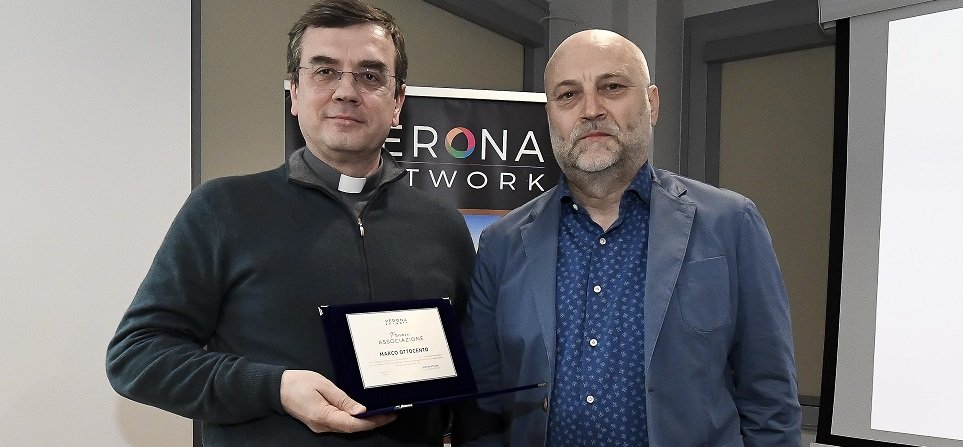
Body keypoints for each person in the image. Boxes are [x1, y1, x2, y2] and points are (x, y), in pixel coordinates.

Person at [106, 1, 475, 445]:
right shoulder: (223, 209)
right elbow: (136, 356)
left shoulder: (443, 227)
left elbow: (473, 373)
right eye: (325, 71)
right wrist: (273, 387)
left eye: (370, 76)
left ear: (397, 102)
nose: (346, 91)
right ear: (295, 93)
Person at [453, 29, 801, 446]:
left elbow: (770, 400)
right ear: (550, 115)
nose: (590, 110)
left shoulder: (731, 224)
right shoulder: (501, 245)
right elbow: (482, 407)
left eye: (612, 87)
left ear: (652, 103)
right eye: (568, 95)